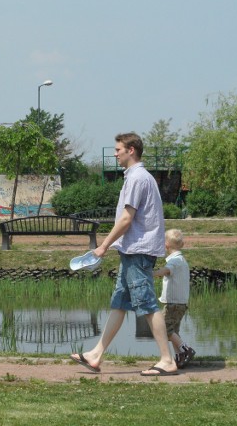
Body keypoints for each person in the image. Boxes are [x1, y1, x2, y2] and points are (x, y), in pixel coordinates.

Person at [69, 132, 178, 376]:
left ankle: (167, 360)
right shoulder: (137, 177)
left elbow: (126, 218)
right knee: (119, 303)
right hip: (132, 251)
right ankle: (96, 355)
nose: (115, 153)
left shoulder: (137, 178)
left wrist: (103, 246)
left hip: (139, 251)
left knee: (148, 304)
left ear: (131, 150)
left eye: (118, 149)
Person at [153, 228, 196, 368]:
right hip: (181, 302)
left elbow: (166, 270)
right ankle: (179, 357)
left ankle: (185, 349)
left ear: (166, 246)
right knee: (174, 331)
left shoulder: (174, 261)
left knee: (165, 330)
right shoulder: (182, 260)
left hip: (173, 303)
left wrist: (151, 274)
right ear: (181, 244)